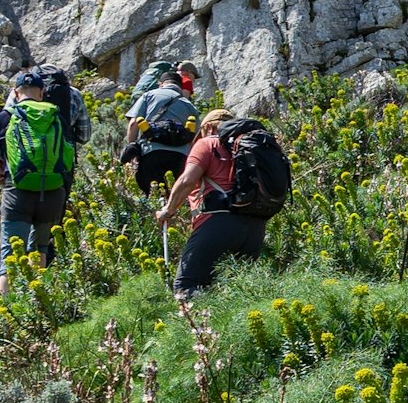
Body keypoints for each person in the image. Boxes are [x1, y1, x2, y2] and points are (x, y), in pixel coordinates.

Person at [163, 110, 292, 294]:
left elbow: (187, 181)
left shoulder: (208, 143)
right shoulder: (249, 148)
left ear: (207, 127)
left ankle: (196, 323)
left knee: (186, 287)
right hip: (255, 228)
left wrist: (168, 210)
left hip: (217, 224)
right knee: (236, 293)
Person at [0, 62, 87, 285]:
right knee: (40, 248)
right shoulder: (58, 115)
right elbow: (83, 136)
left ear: (15, 93)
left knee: (10, 256)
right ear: (42, 93)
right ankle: (38, 302)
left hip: (18, 190)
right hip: (54, 189)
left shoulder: (4, 117)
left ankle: (8, 309)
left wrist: (2, 171)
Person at [124, 60, 203, 190]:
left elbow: (133, 123)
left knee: (151, 194)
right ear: (180, 85)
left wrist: (131, 148)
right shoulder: (189, 105)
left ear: (161, 84)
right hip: (180, 156)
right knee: (173, 196)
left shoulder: (148, 95)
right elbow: (195, 137)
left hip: (151, 151)